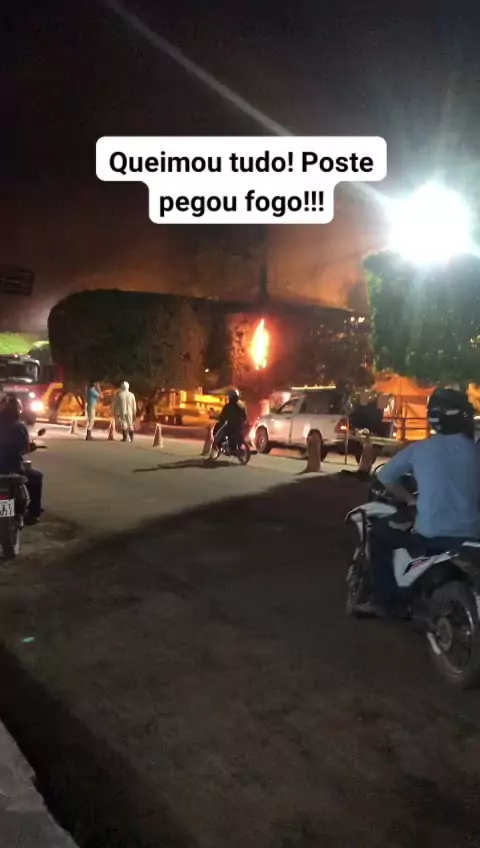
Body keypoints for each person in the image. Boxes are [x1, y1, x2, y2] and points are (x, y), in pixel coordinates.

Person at [356, 388, 480, 617]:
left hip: (432, 537)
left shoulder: (419, 449)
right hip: (473, 536)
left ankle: (385, 602)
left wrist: (410, 499)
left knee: (378, 535)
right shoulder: (475, 449)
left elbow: (385, 477)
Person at [0, 397, 43, 524]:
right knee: (36, 477)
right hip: (14, 469)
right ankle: (34, 513)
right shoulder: (19, 427)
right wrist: (31, 447)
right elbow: (24, 449)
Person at [211, 389, 247, 455]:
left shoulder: (228, 406)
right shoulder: (242, 406)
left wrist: (218, 418)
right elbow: (245, 417)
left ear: (230, 397)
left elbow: (222, 416)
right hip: (239, 427)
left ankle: (213, 452)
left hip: (229, 427)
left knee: (216, 438)